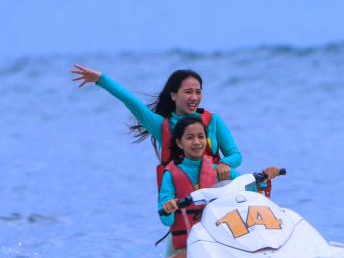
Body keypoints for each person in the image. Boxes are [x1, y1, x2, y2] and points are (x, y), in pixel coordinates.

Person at [147, 116, 281, 258]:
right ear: (179, 143)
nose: (197, 142)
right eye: (190, 137)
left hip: (224, 243)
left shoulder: (219, 169)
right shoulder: (171, 174)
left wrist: (266, 177)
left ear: (207, 139)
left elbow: (249, 190)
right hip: (194, 249)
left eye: (201, 136)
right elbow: (166, 219)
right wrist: (168, 207)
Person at [71, 65, 242, 182]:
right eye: (188, 92)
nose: (194, 97)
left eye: (198, 92)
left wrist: (224, 164)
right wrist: (101, 79)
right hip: (185, 197)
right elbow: (132, 102)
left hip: (219, 186)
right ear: (173, 95)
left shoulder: (213, 121)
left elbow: (235, 155)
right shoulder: (161, 126)